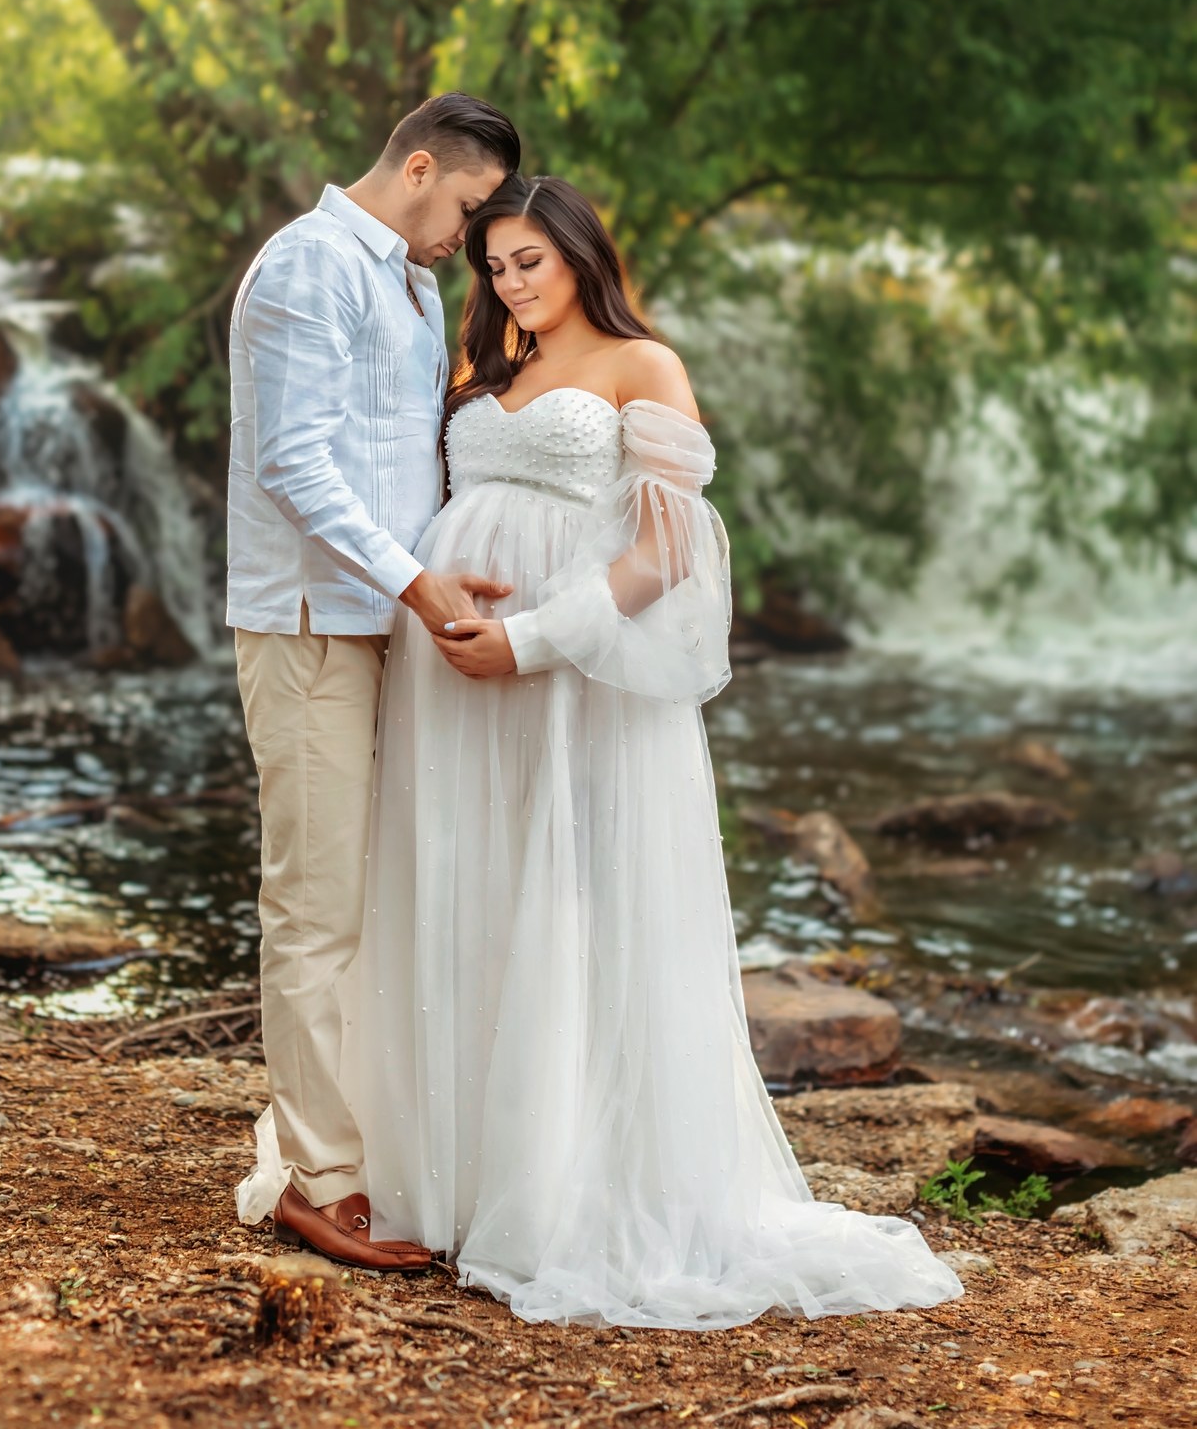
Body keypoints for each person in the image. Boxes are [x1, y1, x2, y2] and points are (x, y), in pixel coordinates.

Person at [332, 172, 964, 1326]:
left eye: (531, 258)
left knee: (574, 896)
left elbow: (669, 556)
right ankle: (462, 1177)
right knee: (469, 886)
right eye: (496, 264)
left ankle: (567, 1186)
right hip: (452, 671)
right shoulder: (489, 371)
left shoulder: (643, 365)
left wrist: (530, 638)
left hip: (575, 676)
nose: (512, 281)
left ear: (580, 253)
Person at [229, 93, 520, 1272]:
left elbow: (401, 460)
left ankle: (362, 1135)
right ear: (415, 167)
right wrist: (416, 584)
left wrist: (458, 566)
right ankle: (319, 1178)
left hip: (381, 621)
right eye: (466, 206)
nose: (472, 236)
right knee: (314, 903)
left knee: (379, 896)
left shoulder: (408, 279)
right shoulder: (310, 265)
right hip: (310, 624)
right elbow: (293, 460)